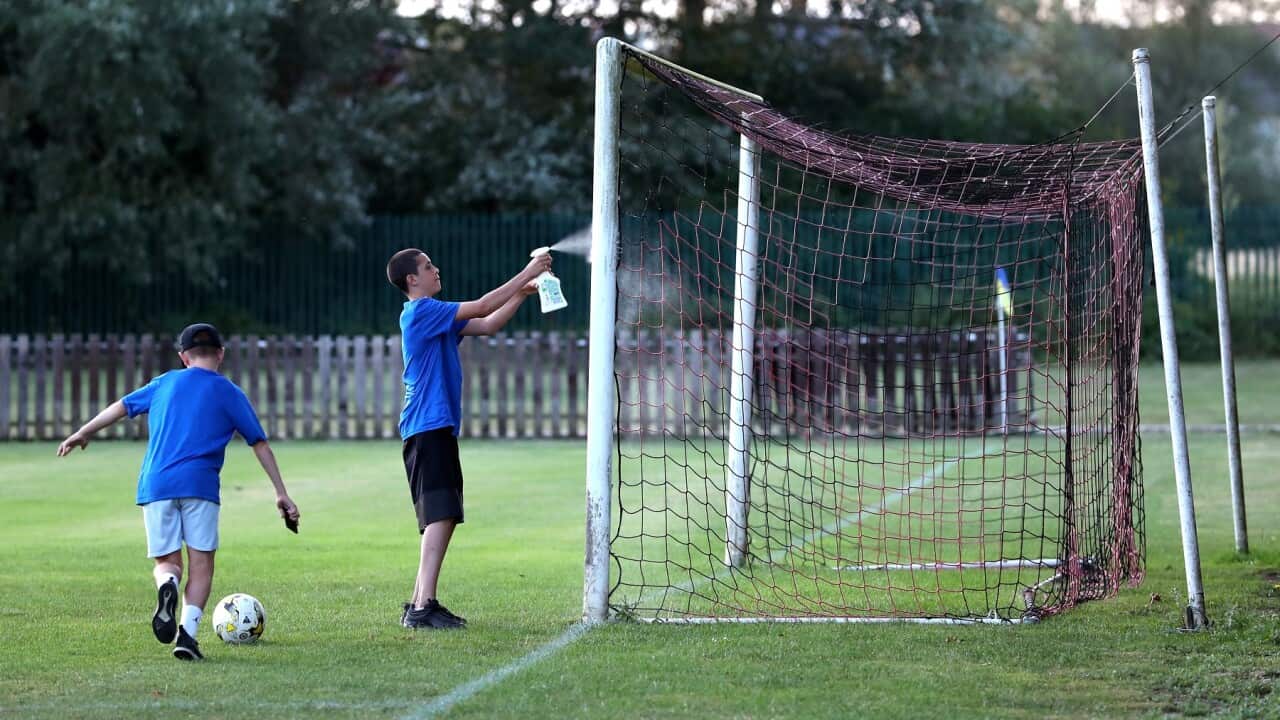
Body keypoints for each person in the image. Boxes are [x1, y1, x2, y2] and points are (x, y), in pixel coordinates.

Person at [56, 323, 301, 661]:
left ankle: (166, 586)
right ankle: (186, 636)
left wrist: (83, 432)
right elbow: (259, 443)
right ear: (221, 354)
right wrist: (280, 492)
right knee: (201, 565)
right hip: (200, 486)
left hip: (156, 485)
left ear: (183, 357)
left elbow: (121, 406)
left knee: (167, 562)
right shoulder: (228, 391)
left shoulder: (164, 383)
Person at [385, 248, 552, 630]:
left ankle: (418, 604)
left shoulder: (433, 316)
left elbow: (487, 324)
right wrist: (526, 269)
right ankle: (424, 605)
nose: (435, 268)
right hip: (427, 427)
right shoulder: (422, 311)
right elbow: (478, 307)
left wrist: (521, 294)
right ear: (412, 279)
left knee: (441, 515)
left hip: (433, 427)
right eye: (428, 266)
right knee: (441, 515)